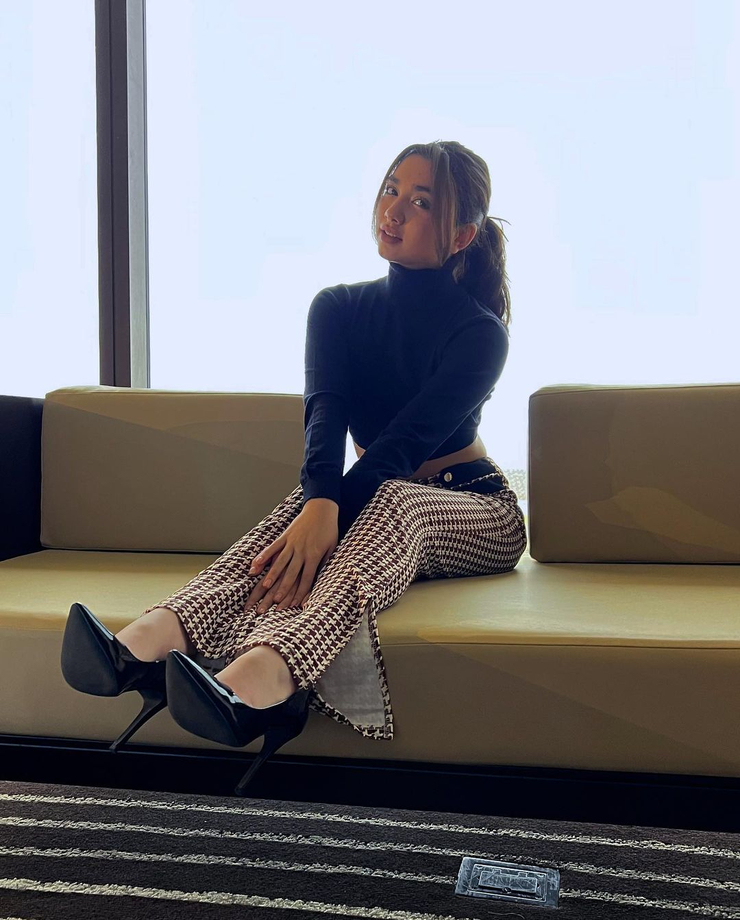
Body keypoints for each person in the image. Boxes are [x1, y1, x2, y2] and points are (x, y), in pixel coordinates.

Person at [60, 140, 528, 793]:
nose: (393, 210)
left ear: (461, 235)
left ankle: (270, 678)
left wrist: (327, 511)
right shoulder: (336, 308)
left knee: (379, 501)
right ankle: (148, 642)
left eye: (421, 202)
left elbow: (403, 445)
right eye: (390, 189)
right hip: (383, 500)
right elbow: (324, 418)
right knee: (303, 507)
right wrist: (316, 504)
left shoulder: (480, 333)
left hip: (475, 509)